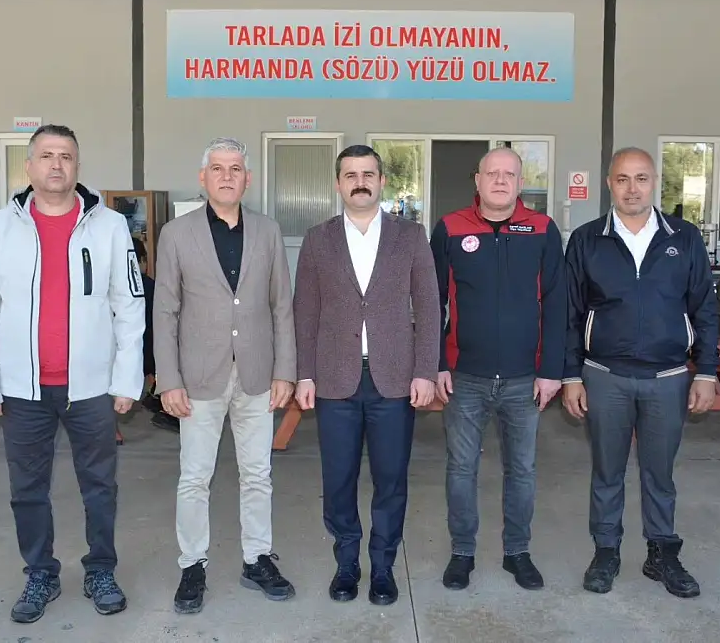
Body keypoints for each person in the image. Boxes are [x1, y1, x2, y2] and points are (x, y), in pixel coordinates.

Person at [0, 124, 144, 623]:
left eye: (65, 156)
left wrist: (126, 379)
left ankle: (100, 570)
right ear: (29, 166)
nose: (56, 165)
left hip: (90, 387)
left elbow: (130, 305)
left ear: (77, 166)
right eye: (46, 155)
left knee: (100, 486)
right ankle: (40, 572)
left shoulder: (109, 226)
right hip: (22, 388)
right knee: (27, 489)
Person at [562, 147, 719, 599]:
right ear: (609, 184)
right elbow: (569, 314)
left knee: (659, 473)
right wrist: (571, 376)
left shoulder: (684, 238)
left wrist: (706, 371)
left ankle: (662, 553)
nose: (632, 189)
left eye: (641, 178)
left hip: (668, 378)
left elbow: (705, 309)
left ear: (655, 183)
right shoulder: (587, 240)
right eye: (622, 179)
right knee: (607, 471)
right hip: (604, 375)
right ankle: (606, 551)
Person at [153, 137, 297, 615]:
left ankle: (257, 559)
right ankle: (192, 565)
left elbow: (281, 306)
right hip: (198, 378)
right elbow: (165, 311)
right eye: (218, 168)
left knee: (258, 473)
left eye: (236, 168)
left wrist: (285, 370)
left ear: (247, 179)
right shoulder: (176, 234)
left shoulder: (268, 231)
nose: (227, 176)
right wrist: (169, 379)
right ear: (203, 177)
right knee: (195, 476)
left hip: (257, 375)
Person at [293, 144, 440, 606]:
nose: (360, 182)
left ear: (382, 181)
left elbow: (429, 306)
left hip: (394, 380)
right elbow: (305, 311)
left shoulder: (410, 236)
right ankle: (346, 563)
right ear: (338, 184)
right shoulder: (317, 239)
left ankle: (382, 567)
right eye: (351, 175)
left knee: (390, 479)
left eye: (368, 174)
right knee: (338, 480)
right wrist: (304, 374)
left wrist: (425, 371)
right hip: (334, 380)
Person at [430, 147, 567, 592]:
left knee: (522, 470)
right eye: (493, 173)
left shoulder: (542, 229)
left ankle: (517, 552)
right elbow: (432, 301)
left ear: (520, 182)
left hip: (524, 378)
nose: (501, 181)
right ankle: (462, 553)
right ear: (478, 179)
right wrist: (437, 362)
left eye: (510, 174)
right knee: (461, 468)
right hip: (464, 376)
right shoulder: (450, 228)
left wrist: (552, 370)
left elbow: (557, 302)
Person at [132, 236, 178, 432]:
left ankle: (155, 396)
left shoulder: (113, 287)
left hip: (127, 354)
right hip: (149, 354)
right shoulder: (151, 287)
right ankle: (169, 412)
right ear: (142, 260)